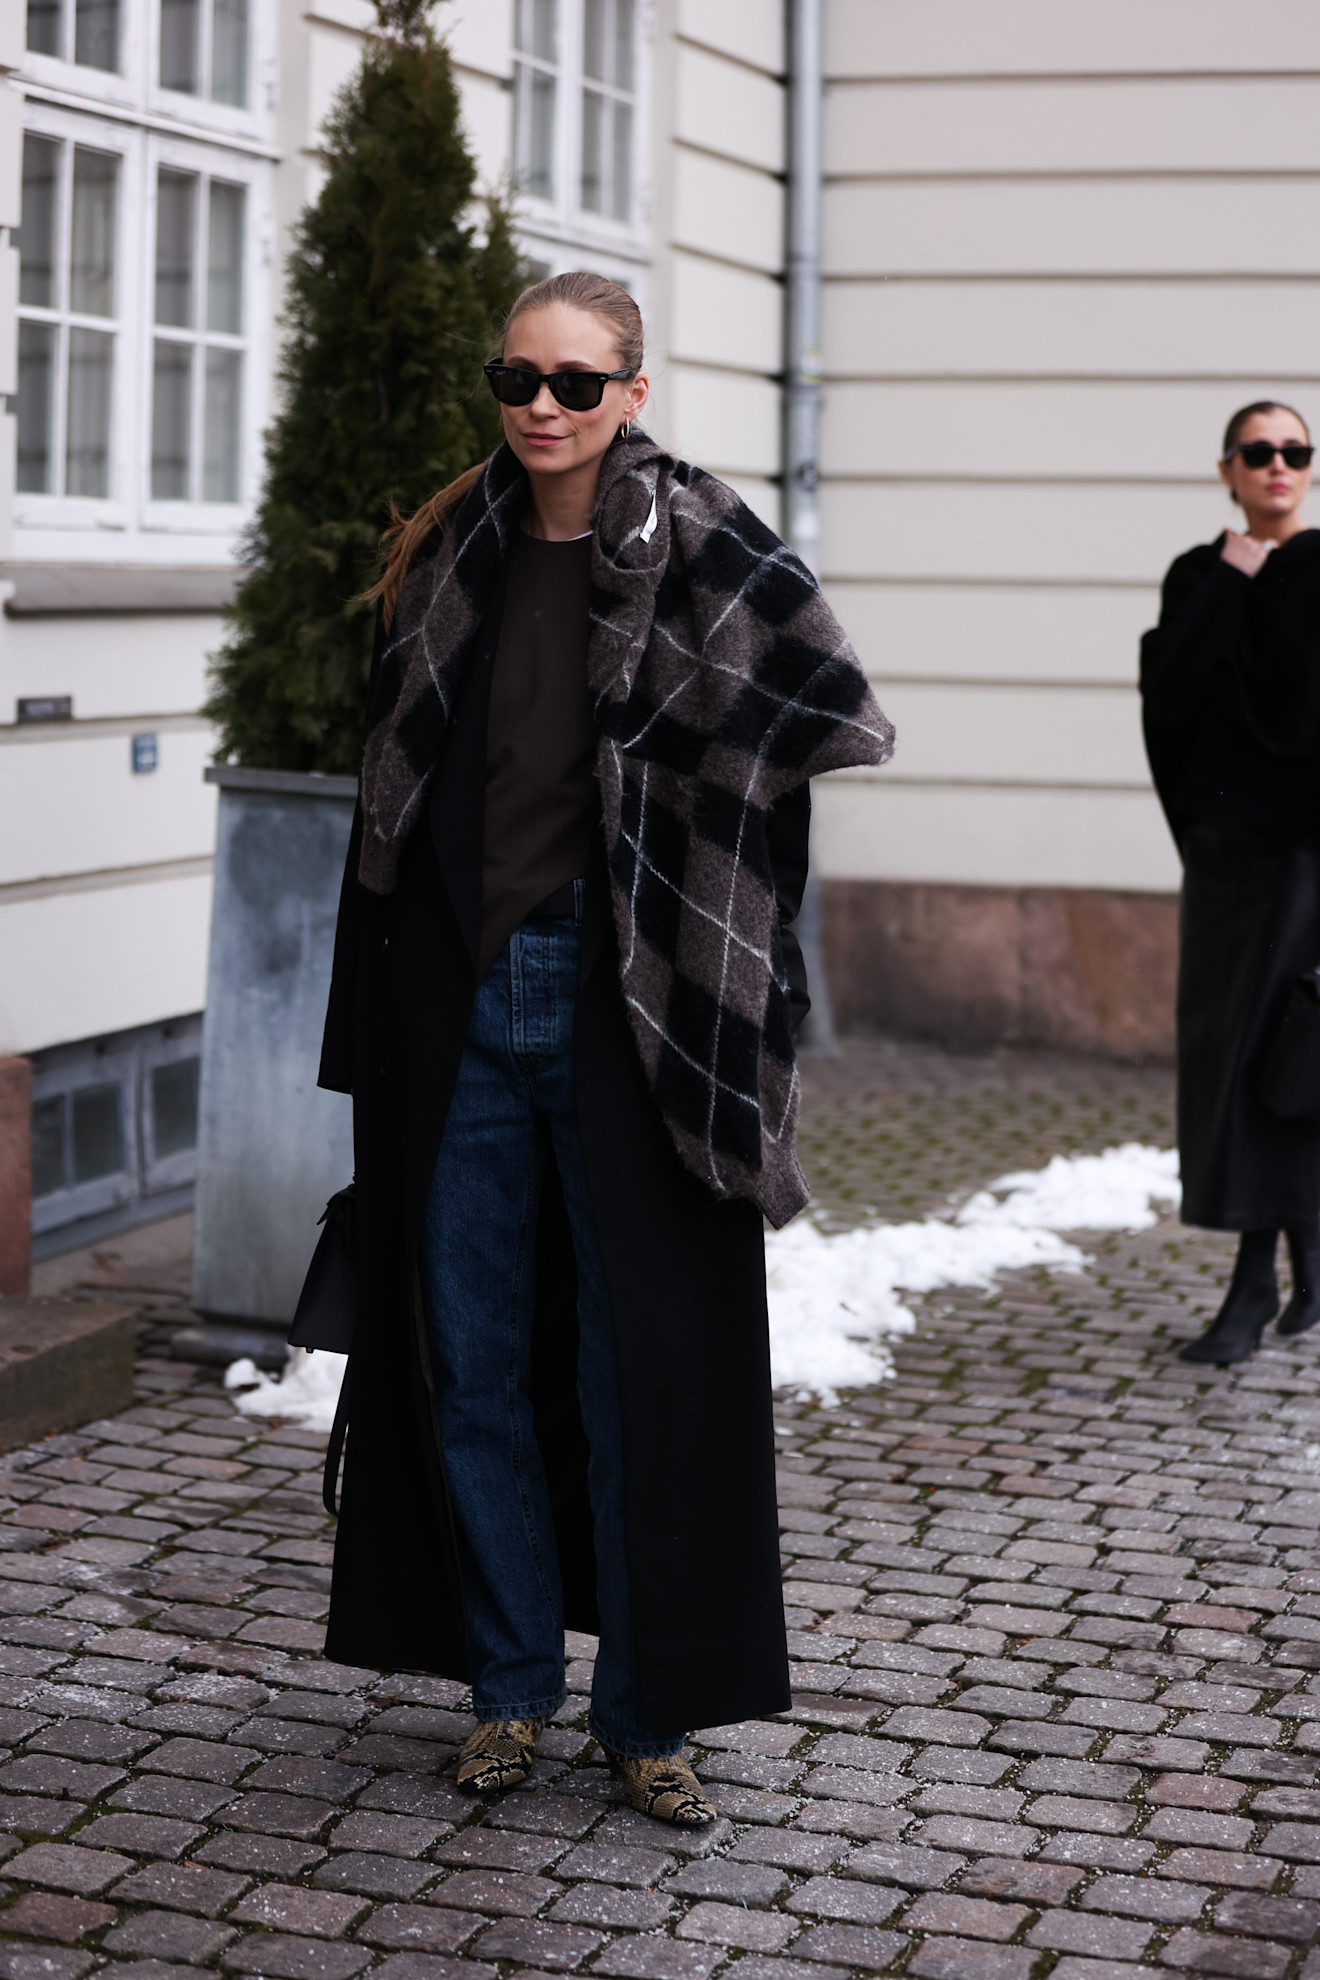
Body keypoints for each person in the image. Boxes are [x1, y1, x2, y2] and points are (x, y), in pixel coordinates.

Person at [316, 271, 894, 1822]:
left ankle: (646, 1713)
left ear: (634, 390)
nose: (544, 409)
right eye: (518, 380)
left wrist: (696, 847)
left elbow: (823, 716)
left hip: (634, 1005)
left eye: (577, 381)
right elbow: (391, 808)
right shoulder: (450, 556)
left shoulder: (706, 544)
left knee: (643, 1370)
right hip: (455, 995)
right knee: (470, 1368)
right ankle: (511, 1688)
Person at [1141, 399, 1320, 1365]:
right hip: (1222, 857)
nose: (1279, 467)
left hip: (1304, 859)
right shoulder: (1198, 575)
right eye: (1261, 453)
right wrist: (1232, 579)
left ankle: (1257, 1285)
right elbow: (1170, 699)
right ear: (1229, 470)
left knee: (1276, 1062)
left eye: (1296, 451)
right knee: (1230, 1060)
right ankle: (1306, 1257)